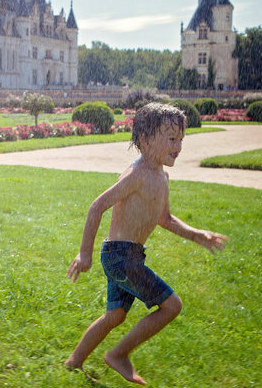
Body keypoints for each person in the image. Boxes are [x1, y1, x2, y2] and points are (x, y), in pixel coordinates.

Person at [64, 103, 228, 385]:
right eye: (171, 139)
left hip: (127, 256)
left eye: (180, 140)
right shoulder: (137, 175)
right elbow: (96, 207)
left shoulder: (162, 176)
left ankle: (74, 361)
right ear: (145, 140)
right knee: (171, 306)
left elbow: (164, 218)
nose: (178, 146)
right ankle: (119, 355)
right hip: (121, 256)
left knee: (114, 316)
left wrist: (197, 234)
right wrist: (83, 253)